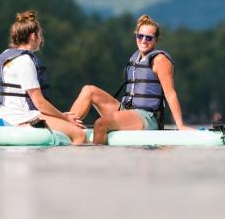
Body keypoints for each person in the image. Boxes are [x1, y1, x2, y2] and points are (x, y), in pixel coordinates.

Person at [70, 14, 190, 144]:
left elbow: (170, 94)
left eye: (149, 37)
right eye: (140, 36)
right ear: (136, 36)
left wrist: (180, 125)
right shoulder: (135, 57)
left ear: (156, 40)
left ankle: (99, 162)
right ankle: (67, 127)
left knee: (100, 124)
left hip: (147, 117)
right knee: (89, 90)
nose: (144, 40)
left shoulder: (160, 60)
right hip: (128, 111)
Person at [0, 10, 86, 144]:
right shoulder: (25, 61)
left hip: (3, 115)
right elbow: (40, 103)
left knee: (68, 126)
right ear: (33, 36)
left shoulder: (6, 55)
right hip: (22, 118)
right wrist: (64, 117)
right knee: (79, 134)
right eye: (40, 35)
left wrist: (61, 117)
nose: (41, 39)